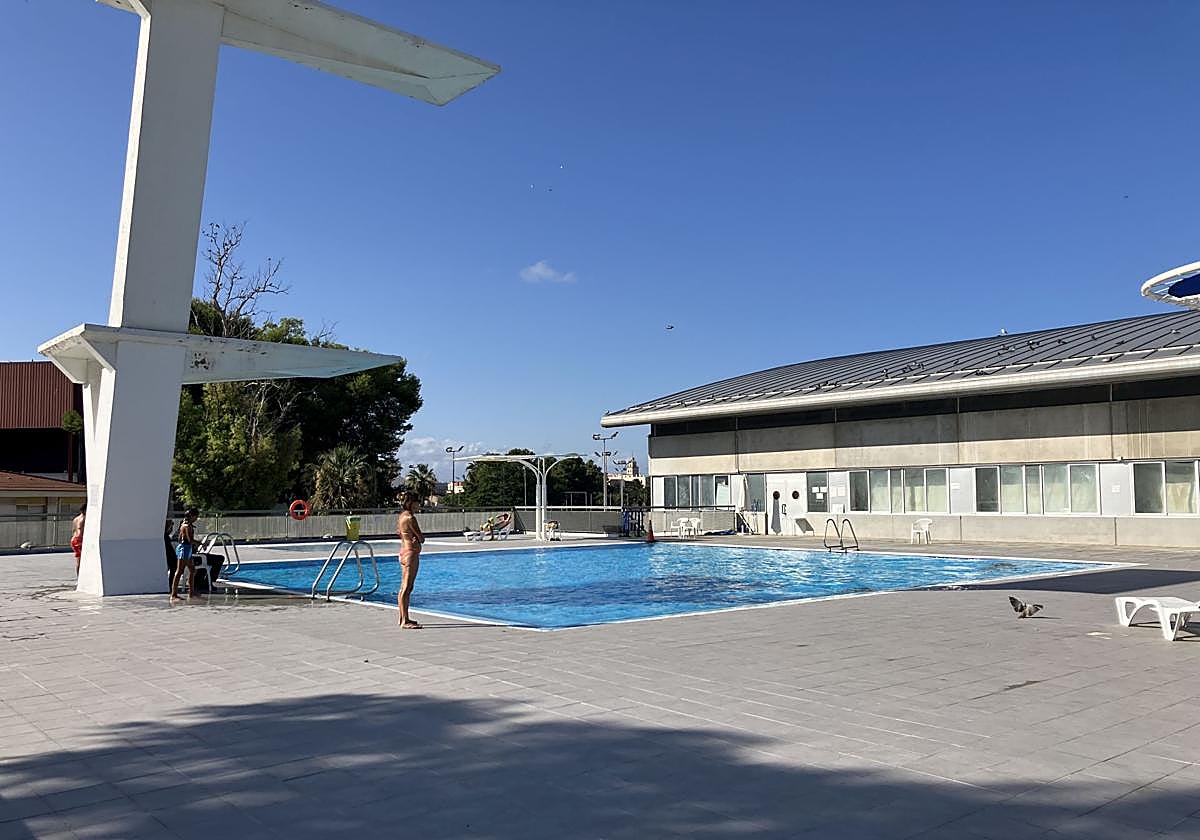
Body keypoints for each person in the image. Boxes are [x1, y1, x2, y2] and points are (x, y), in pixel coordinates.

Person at [396, 492, 425, 629]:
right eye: (417, 502)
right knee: (407, 587)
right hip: (411, 554)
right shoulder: (410, 517)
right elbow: (421, 537)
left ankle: (403, 617)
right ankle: (404, 621)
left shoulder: (402, 516)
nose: (419, 505)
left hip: (403, 551)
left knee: (404, 587)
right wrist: (418, 538)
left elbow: (400, 533)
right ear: (411, 503)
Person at [170, 508, 199, 600]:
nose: (196, 519)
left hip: (187, 548)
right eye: (196, 516)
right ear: (192, 516)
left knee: (192, 570)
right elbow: (189, 540)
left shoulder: (187, 524)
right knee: (179, 571)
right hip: (184, 549)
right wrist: (200, 543)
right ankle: (173, 594)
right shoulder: (186, 526)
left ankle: (191, 592)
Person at [70, 504, 86, 576]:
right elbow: (79, 529)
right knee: (80, 560)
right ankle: (79, 578)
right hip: (79, 540)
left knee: (79, 559)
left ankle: (79, 577)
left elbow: (74, 530)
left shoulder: (75, 519)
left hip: (74, 539)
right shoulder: (84, 518)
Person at [164, 519, 177, 588]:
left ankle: (171, 583)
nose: (171, 529)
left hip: (170, 556)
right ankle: (171, 583)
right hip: (170, 556)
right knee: (173, 568)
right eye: (170, 527)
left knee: (173, 568)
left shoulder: (166, 536)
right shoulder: (165, 536)